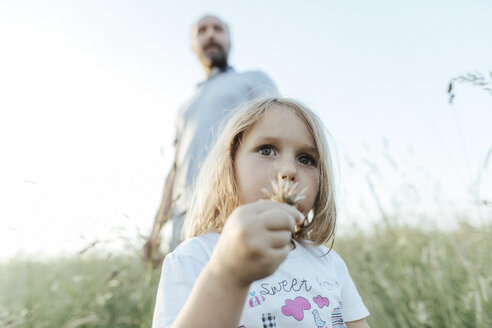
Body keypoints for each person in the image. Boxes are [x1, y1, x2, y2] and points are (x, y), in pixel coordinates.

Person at [152, 98, 370, 327]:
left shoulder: (329, 263)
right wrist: (228, 274)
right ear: (231, 164)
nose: (289, 171)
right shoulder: (194, 258)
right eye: (267, 150)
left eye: (306, 159)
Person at [144, 14, 277, 261]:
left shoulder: (252, 80)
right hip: (184, 222)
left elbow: (277, 141)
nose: (210, 34)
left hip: (232, 211)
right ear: (192, 45)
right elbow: (175, 170)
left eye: (218, 29)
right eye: (201, 30)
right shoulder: (185, 107)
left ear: (229, 40)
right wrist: (154, 231)